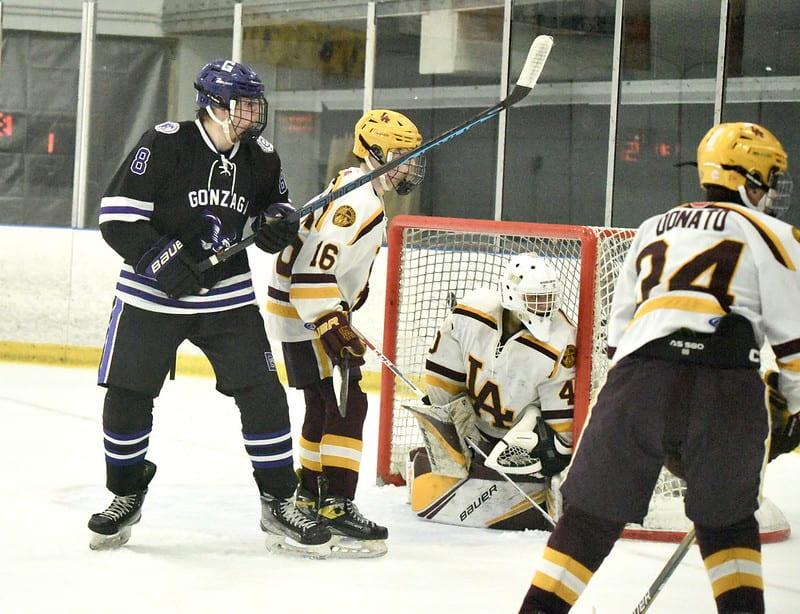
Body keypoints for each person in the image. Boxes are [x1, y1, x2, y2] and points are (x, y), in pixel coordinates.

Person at [519, 122, 800, 614]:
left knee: (588, 518)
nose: (773, 192)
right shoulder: (776, 235)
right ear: (744, 179)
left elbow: (617, 335)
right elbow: (795, 345)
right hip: (726, 383)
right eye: (768, 179)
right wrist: (790, 409)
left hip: (637, 379)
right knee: (728, 523)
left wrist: (660, 421)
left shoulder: (654, 226)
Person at [88, 59, 334, 557]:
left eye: (253, 104)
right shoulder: (163, 143)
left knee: (263, 394)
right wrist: (163, 260)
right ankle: (126, 491)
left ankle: (279, 500)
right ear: (211, 105)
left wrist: (276, 225)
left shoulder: (261, 157)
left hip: (226, 297)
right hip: (151, 297)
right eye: (240, 105)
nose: (250, 114)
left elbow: (274, 214)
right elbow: (117, 218)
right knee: (128, 394)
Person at [265, 109, 426, 557]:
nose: (409, 164)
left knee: (322, 402)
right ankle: (335, 503)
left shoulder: (352, 183)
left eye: (411, 156)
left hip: (296, 310)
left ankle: (310, 495)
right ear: (374, 153)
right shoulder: (361, 202)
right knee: (348, 402)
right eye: (400, 155)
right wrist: (333, 325)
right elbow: (314, 272)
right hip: (308, 311)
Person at [406, 254, 576, 530]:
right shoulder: (470, 314)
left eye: (549, 298)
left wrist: (549, 458)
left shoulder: (561, 342)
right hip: (473, 431)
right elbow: (442, 383)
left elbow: (564, 430)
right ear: (513, 296)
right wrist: (446, 425)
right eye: (536, 299)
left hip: (524, 445)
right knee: (434, 458)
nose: (545, 307)